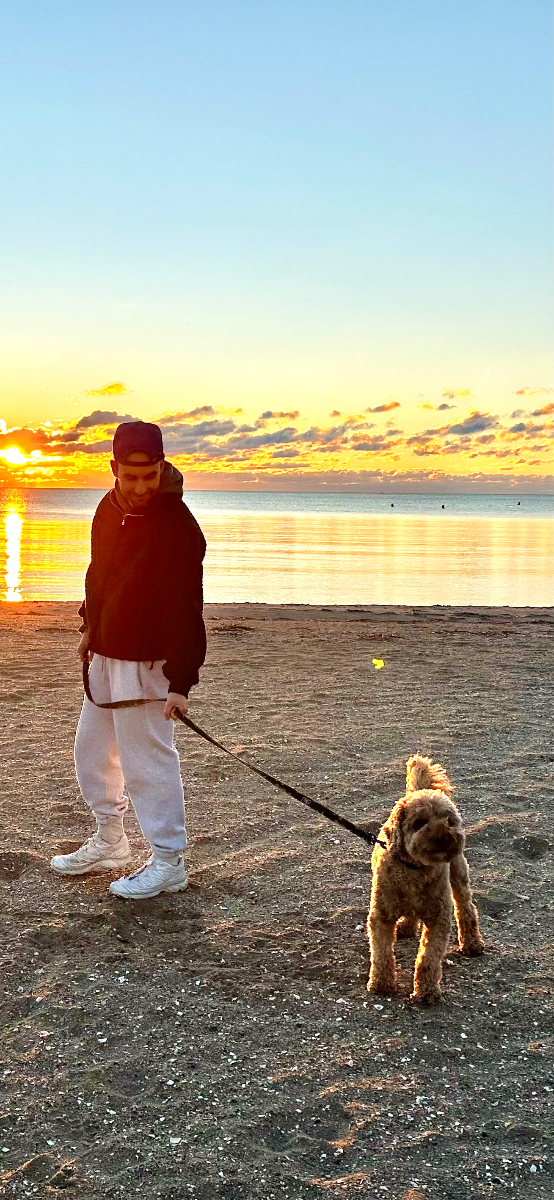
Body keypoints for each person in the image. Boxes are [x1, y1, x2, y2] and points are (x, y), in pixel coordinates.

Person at [50, 420, 206, 899]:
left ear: (162, 467)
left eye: (150, 476)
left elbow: (187, 607)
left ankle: (168, 861)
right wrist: (89, 628)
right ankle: (112, 842)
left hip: (149, 662)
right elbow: (99, 574)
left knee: (147, 761)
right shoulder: (106, 508)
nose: (141, 488)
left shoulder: (178, 527)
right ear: (114, 468)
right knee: (92, 753)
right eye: (130, 477)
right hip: (105, 652)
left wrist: (180, 681)